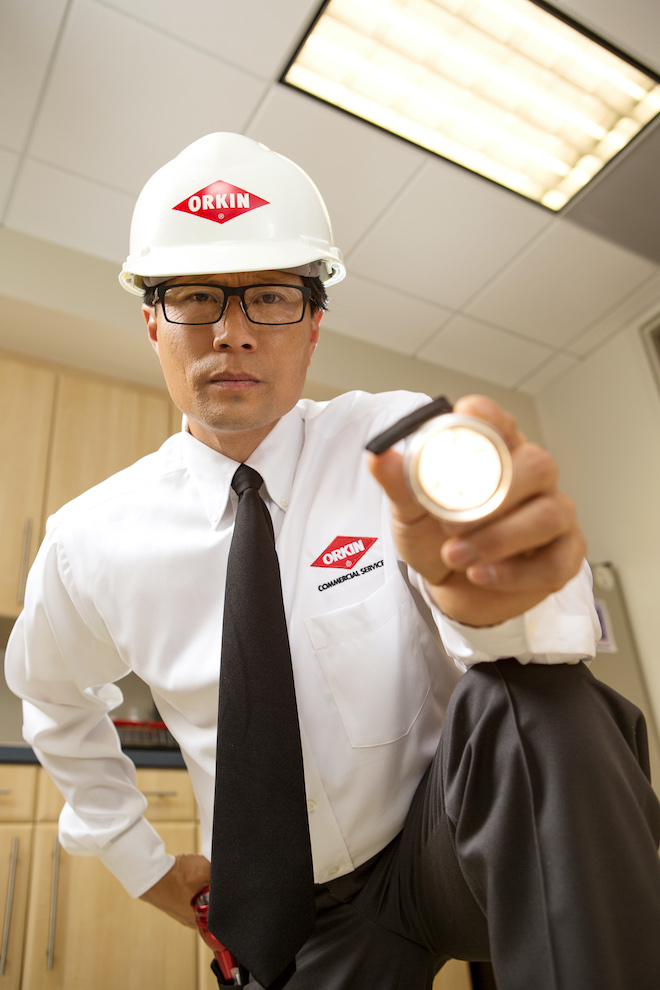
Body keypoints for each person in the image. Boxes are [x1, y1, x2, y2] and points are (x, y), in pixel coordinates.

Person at [5, 133, 660, 990]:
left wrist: (505, 610)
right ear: (152, 321)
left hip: (444, 838)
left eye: (271, 298)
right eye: (196, 298)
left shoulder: (398, 442)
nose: (233, 333)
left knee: (542, 700)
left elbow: (521, 599)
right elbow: (50, 699)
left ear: (314, 324)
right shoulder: (88, 541)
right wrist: (142, 861)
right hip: (291, 903)